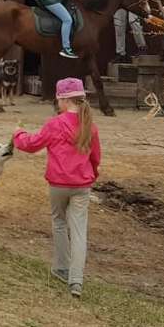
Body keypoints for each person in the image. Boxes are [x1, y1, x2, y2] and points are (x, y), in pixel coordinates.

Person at [13, 77, 102, 298]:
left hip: (58, 184)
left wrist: (17, 134)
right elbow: (96, 157)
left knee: (59, 223)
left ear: (63, 99)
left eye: (57, 98)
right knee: (79, 230)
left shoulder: (55, 124)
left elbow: (32, 144)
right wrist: (91, 175)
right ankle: (76, 280)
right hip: (82, 184)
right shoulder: (90, 126)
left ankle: (62, 267)